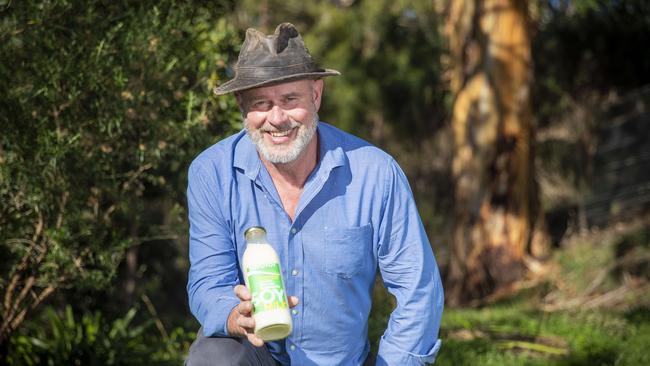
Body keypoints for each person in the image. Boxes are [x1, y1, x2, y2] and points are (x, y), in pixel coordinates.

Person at [185, 22, 444, 366]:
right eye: (261, 103)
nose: (276, 118)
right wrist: (233, 314)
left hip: (343, 361)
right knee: (214, 356)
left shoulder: (376, 173)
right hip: (255, 355)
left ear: (316, 94)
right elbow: (208, 281)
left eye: (290, 99)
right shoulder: (211, 173)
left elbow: (418, 292)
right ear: (241, 107)